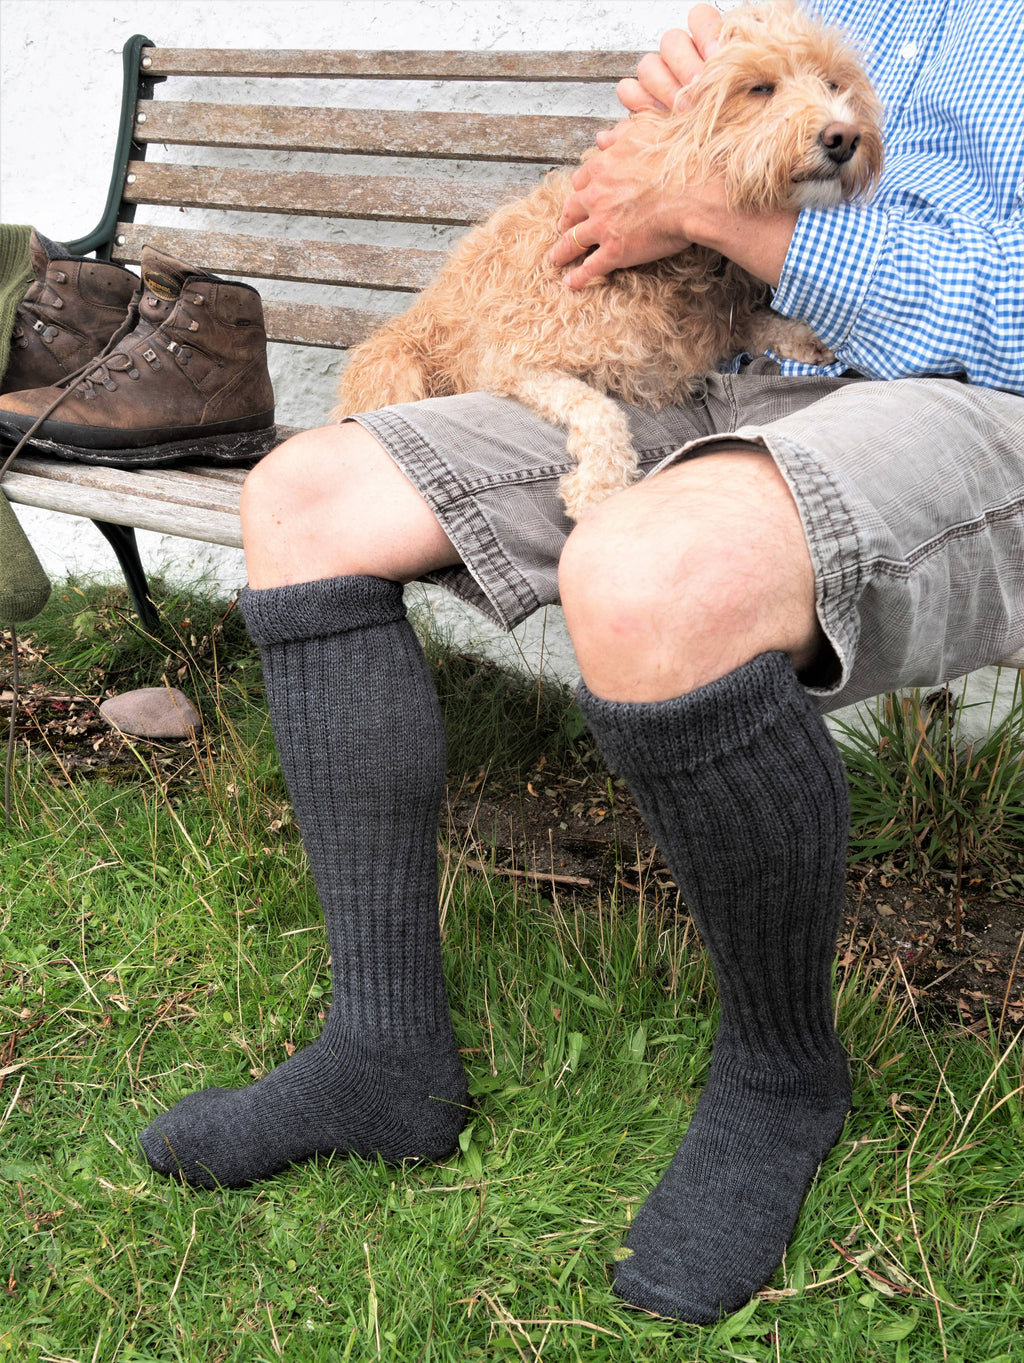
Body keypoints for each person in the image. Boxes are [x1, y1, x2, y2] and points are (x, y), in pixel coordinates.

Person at [137, 0, 1024, 1326]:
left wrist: (727, 216)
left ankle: (782, 1072)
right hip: (727, 344)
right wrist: (672, 157)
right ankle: (385, 1052)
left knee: (646, 568)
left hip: (958, 388)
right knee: (306, 495)